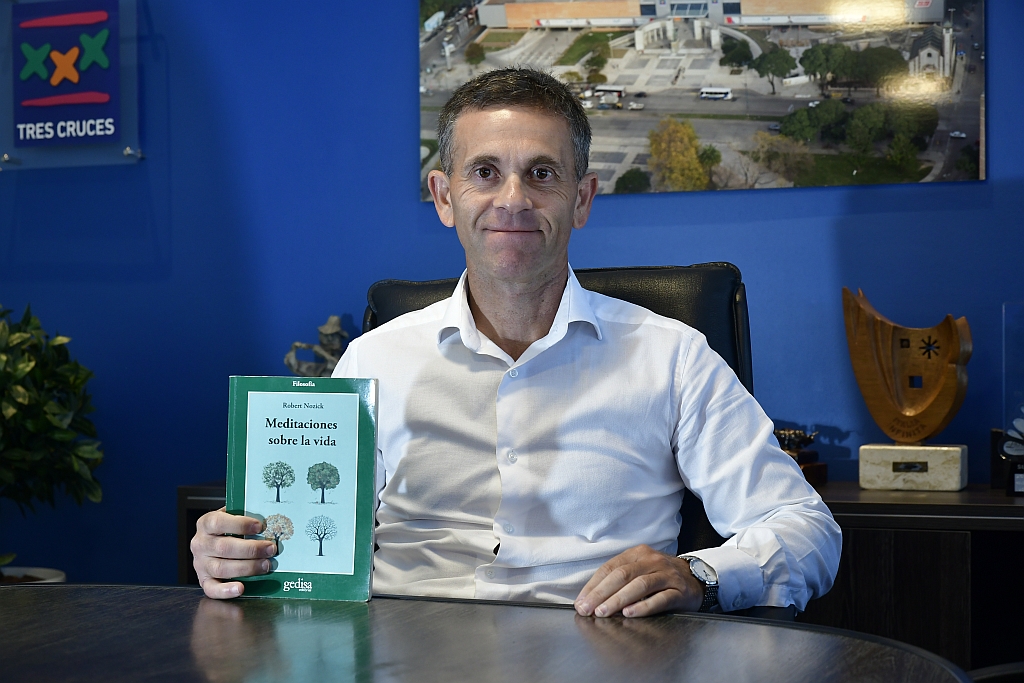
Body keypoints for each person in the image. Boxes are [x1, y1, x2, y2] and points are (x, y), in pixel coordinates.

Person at [192, 67, 841, 618]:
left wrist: (700, 575)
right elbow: (314, 540)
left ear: (582, 198)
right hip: (400, 648)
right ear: (444, 197)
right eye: (484, 171)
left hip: (601, 649)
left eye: (541, 173)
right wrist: (240, 549)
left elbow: (807, 530)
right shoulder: (373, 360)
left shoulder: (673, 357)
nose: (513, 199)